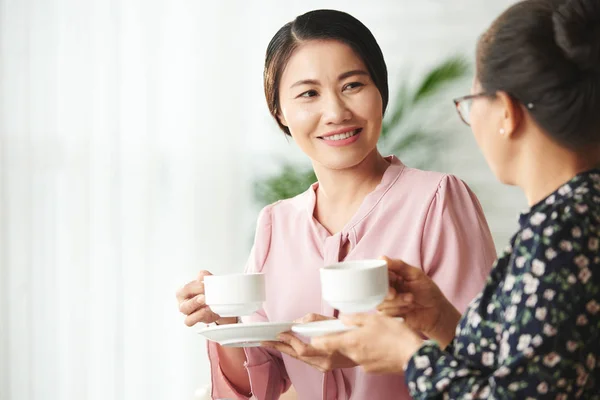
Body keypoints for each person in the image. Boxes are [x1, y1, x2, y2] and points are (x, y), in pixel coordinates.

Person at [176, 9, 497, 400]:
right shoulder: (276, 224)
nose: (336, 113)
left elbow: (486, 360)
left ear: (380, 90)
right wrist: (225, 322)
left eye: (352, 85)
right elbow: (256, 387)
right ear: (280, 111)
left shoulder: (437, 200)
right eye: (309, 93)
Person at [311, 0, 600, 398]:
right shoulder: (576, 212)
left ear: (506, 113)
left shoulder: (560, 231)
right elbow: (525, 368)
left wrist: (410, 355)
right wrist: (441, 318)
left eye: (472, 102)